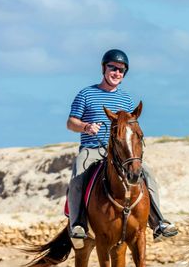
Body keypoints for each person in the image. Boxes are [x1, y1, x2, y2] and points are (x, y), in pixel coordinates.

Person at [66, 49, 178, 244]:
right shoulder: (86, 94)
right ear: (104, 68)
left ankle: (158, 222)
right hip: (92, 149)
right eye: (113, 68)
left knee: (148, 176)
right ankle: (78, 224)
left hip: (119, 153)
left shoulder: (126, 100)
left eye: (121, 70)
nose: (117, 73)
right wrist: (86, 126)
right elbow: (70, 122)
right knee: (77, 178)